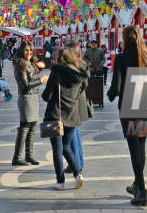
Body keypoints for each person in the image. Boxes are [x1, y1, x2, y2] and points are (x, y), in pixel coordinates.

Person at [107, 25, 147, 206]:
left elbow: (116, 86)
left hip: (129, 105)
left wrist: (110, 95)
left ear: (125, 39)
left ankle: (142, 192)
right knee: (141, 145)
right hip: (145, 103)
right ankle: (137, 185)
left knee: (134, 147)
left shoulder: (121, 58)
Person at [42, 43, 89, 190]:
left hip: (56, 114)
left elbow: (46, 96)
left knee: (57, 149)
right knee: (67, 147)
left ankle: (60, 181)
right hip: (72, 114)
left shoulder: (56, 72)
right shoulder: (79, 74)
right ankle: (77, 174)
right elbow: (81, 90)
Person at [12, 41, 48, 166]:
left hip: (33, 97)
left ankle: (28, 155)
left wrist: (39, 68)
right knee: (24, 128)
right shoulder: (20, 64)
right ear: (22, 51)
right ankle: (17, 157)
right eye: (26, 50)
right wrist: (41, 80)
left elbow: (31, 76)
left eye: (31, 50)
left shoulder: (29, 63)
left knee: (32, 128)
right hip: (26, 98)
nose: (29, 52)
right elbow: (25, 85)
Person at [63, 43, 90, 174]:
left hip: (73, 101)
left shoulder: (74, 67)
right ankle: (79, 162)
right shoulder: (83, 65)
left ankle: (75, 164)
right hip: (80, 100)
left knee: (72, 132)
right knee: (76, 132)